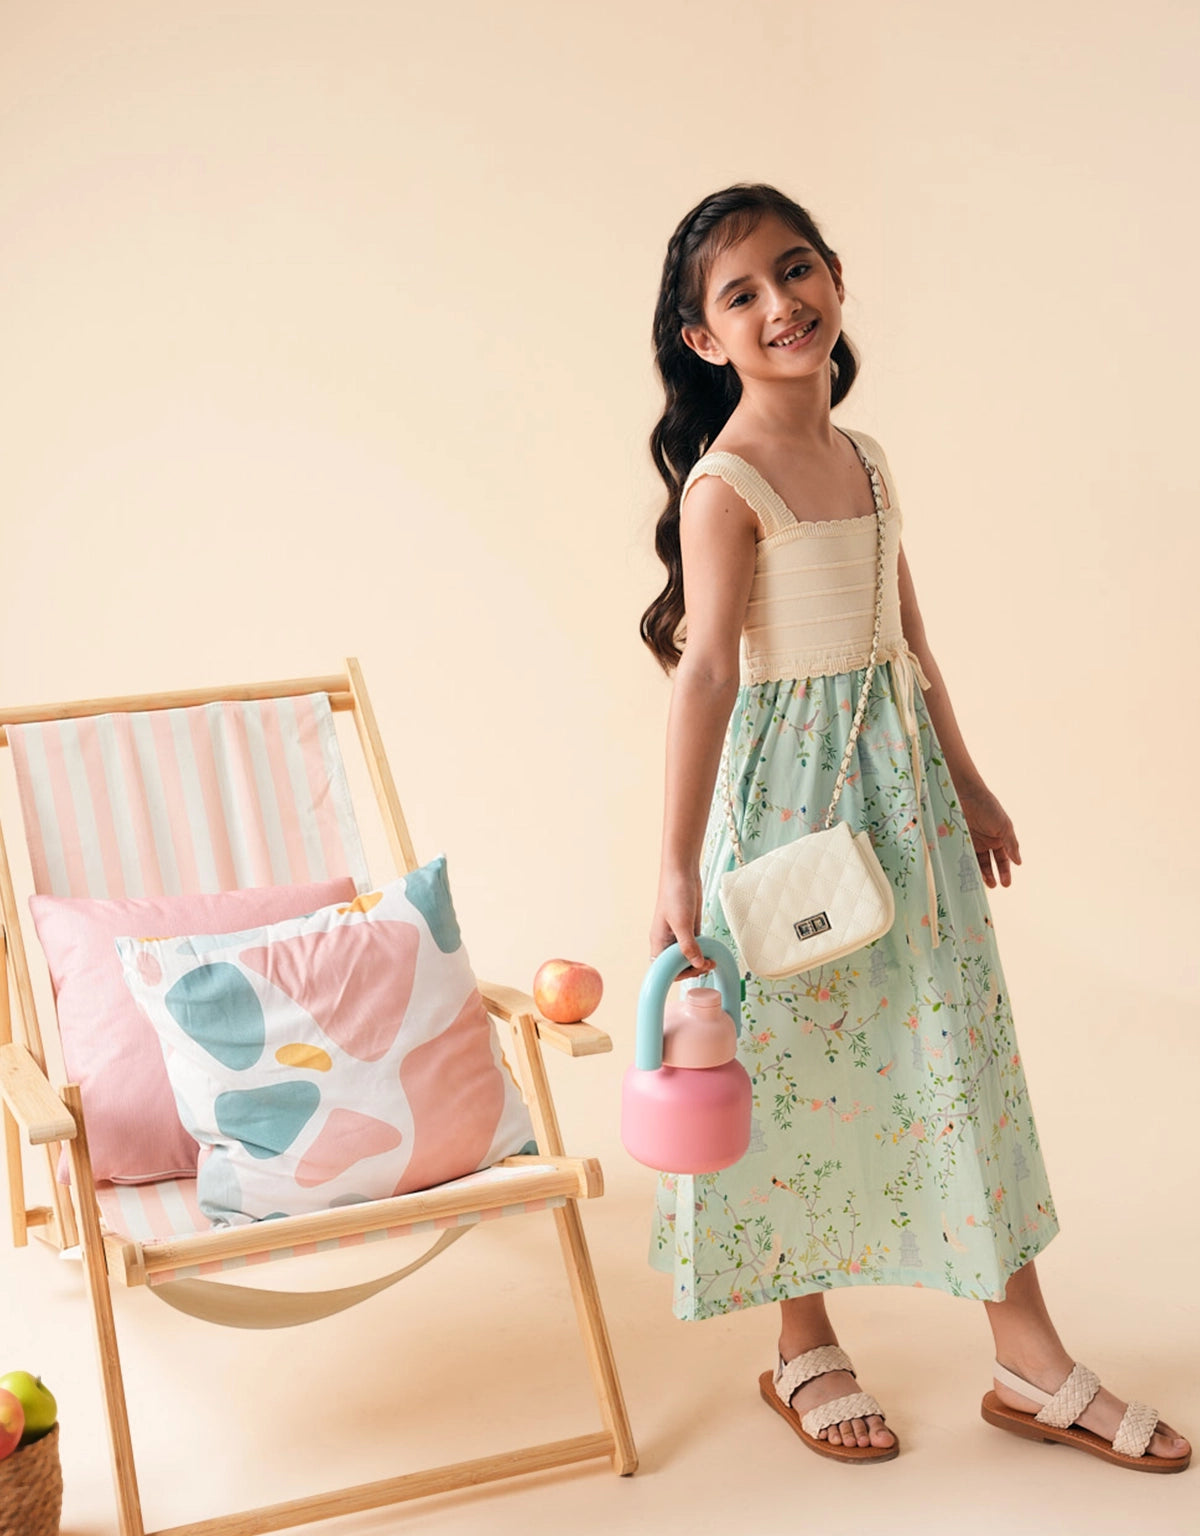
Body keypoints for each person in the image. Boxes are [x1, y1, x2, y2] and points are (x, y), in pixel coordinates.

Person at [639, 182, 1190, 1471]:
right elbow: (706, 672)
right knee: (784, 1063)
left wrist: (970, 780)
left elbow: (910, 638)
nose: (782, 304)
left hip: (902, 798)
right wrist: (672, 864)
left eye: (797, 269)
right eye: (742, 295)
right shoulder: (726, 486)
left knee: (952, 1050)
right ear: (705, 339)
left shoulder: (868, 458)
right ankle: (802, 1341)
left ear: (834, 275)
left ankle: (1027, 1358)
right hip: (784, 806)